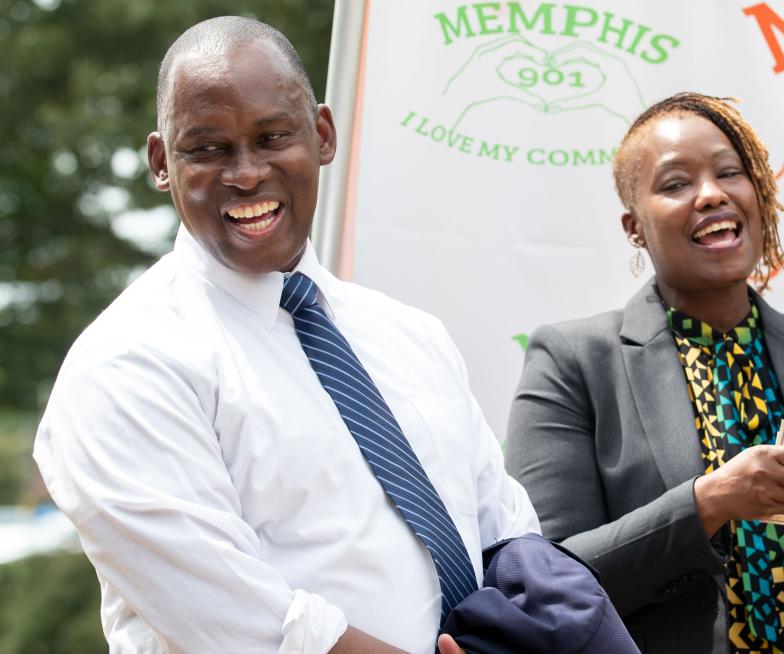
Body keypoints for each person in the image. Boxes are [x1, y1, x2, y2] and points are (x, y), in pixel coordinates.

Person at [34, 16, 543, 654]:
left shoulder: (412, 336)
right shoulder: (126, 364)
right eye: (207, 149)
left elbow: (507, 531)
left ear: (323, 135)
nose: (246, 174)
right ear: (162, 163)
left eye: (273, 136)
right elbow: (231, 616)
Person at [504, 92, 784, 653]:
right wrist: (710, 502)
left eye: (730, 173)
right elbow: (544, 581)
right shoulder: (574, 360)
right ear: (634, 226)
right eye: (674, 184)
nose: (711, 194)